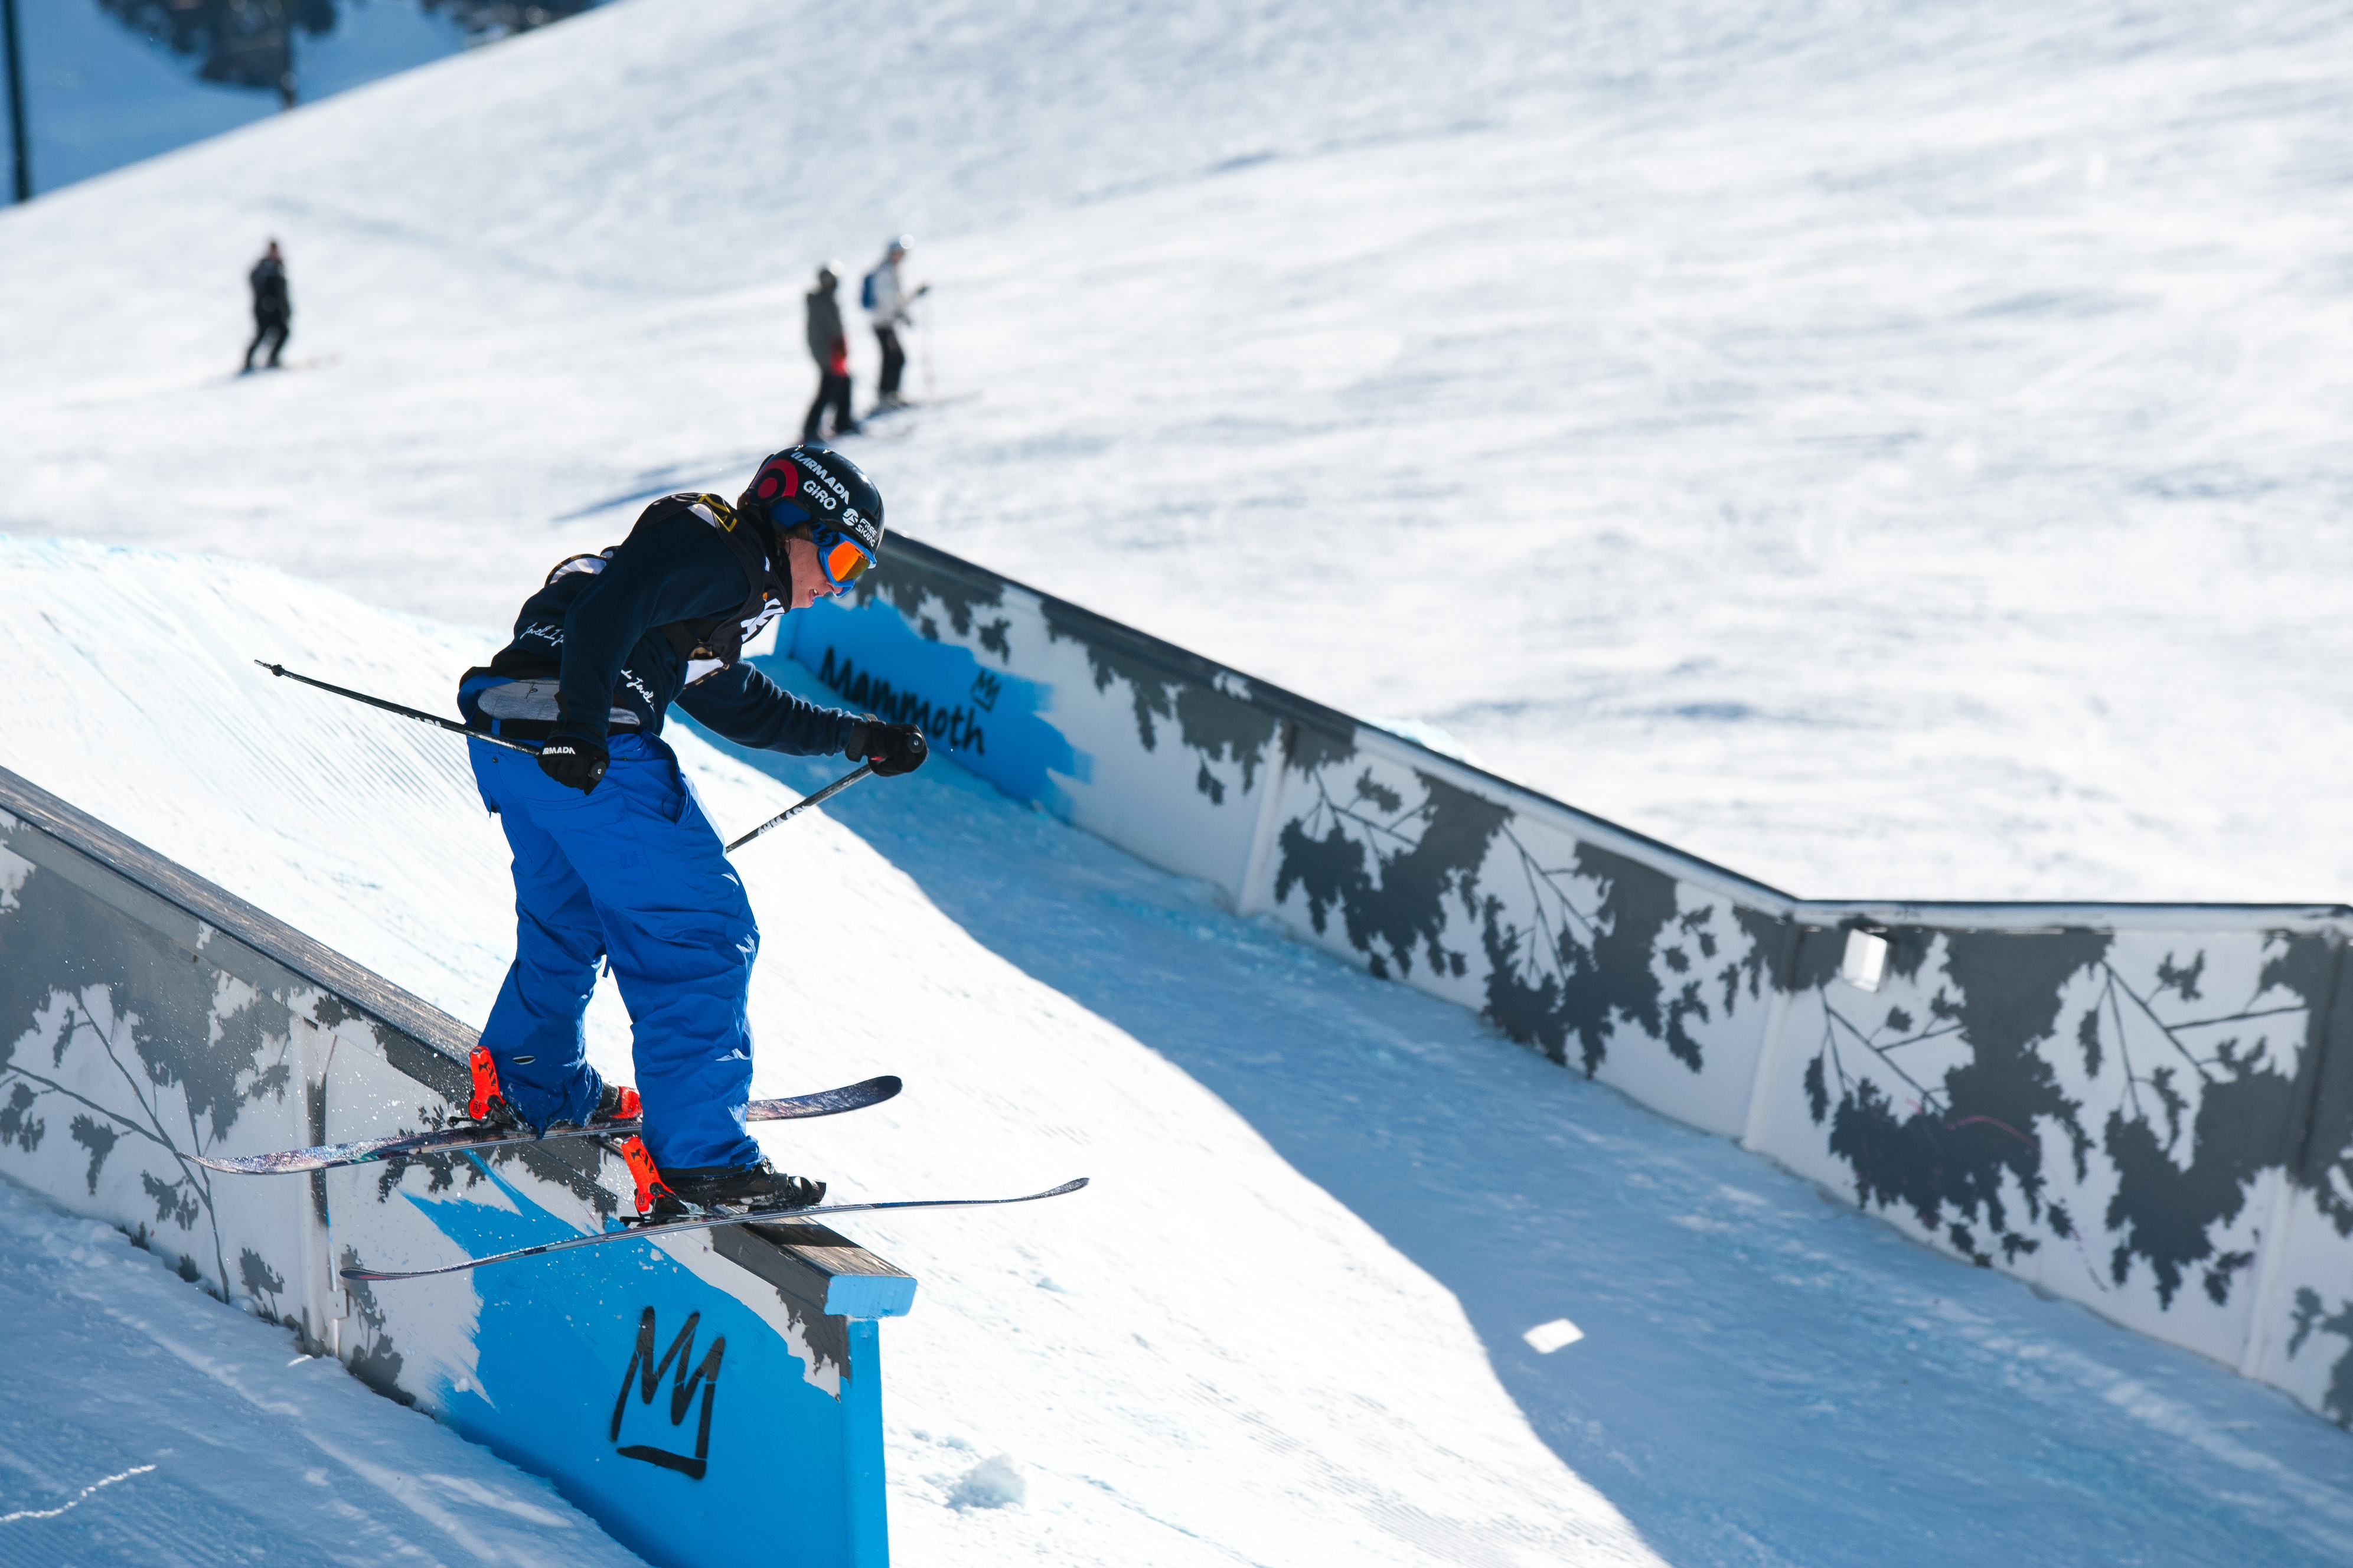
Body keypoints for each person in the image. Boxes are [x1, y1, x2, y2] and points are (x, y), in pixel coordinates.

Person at [452, 446, 929, 1216]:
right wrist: (583, 725)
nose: (834, 588)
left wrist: (858, 737)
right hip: (590, 750)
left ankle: (530, 1082)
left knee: (570, 917)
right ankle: (703, 1160)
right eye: (841, 559)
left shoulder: (697, 585)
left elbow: (738, 701)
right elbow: (607, 613)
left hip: (509, 740)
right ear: (794, 521)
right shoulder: (719, 554)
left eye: (854, 577)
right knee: (702, 933)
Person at [861, 236, 926, 410]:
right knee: (894, 358)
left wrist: (906, 309)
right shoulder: (885, 272)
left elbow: (895, 301)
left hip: (887, 322)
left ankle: (890, 395)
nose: (900, 257)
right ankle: (887, 396)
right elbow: (890, 302)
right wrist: (902, 315)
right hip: (882, 323)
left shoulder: (891, 271)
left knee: (894, 358)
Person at [802, 265, 858, 442]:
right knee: (829, 387)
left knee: (844, 382)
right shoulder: (821, 301)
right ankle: (810, 429)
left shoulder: (826, 299)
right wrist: (838, 350)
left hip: (832, 351)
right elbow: (833, 328)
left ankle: (843, 422)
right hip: (827, 353)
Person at [243, 241, 291, 373]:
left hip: (277, 309)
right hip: (263, 309)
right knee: (262, 333)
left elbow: (282, 292)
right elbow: (253, 279)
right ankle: (248, 361)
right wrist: (263, 299)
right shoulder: (263, 266)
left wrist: (286, 309)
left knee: (283, 331)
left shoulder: (279, 266)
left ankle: (273, 358)